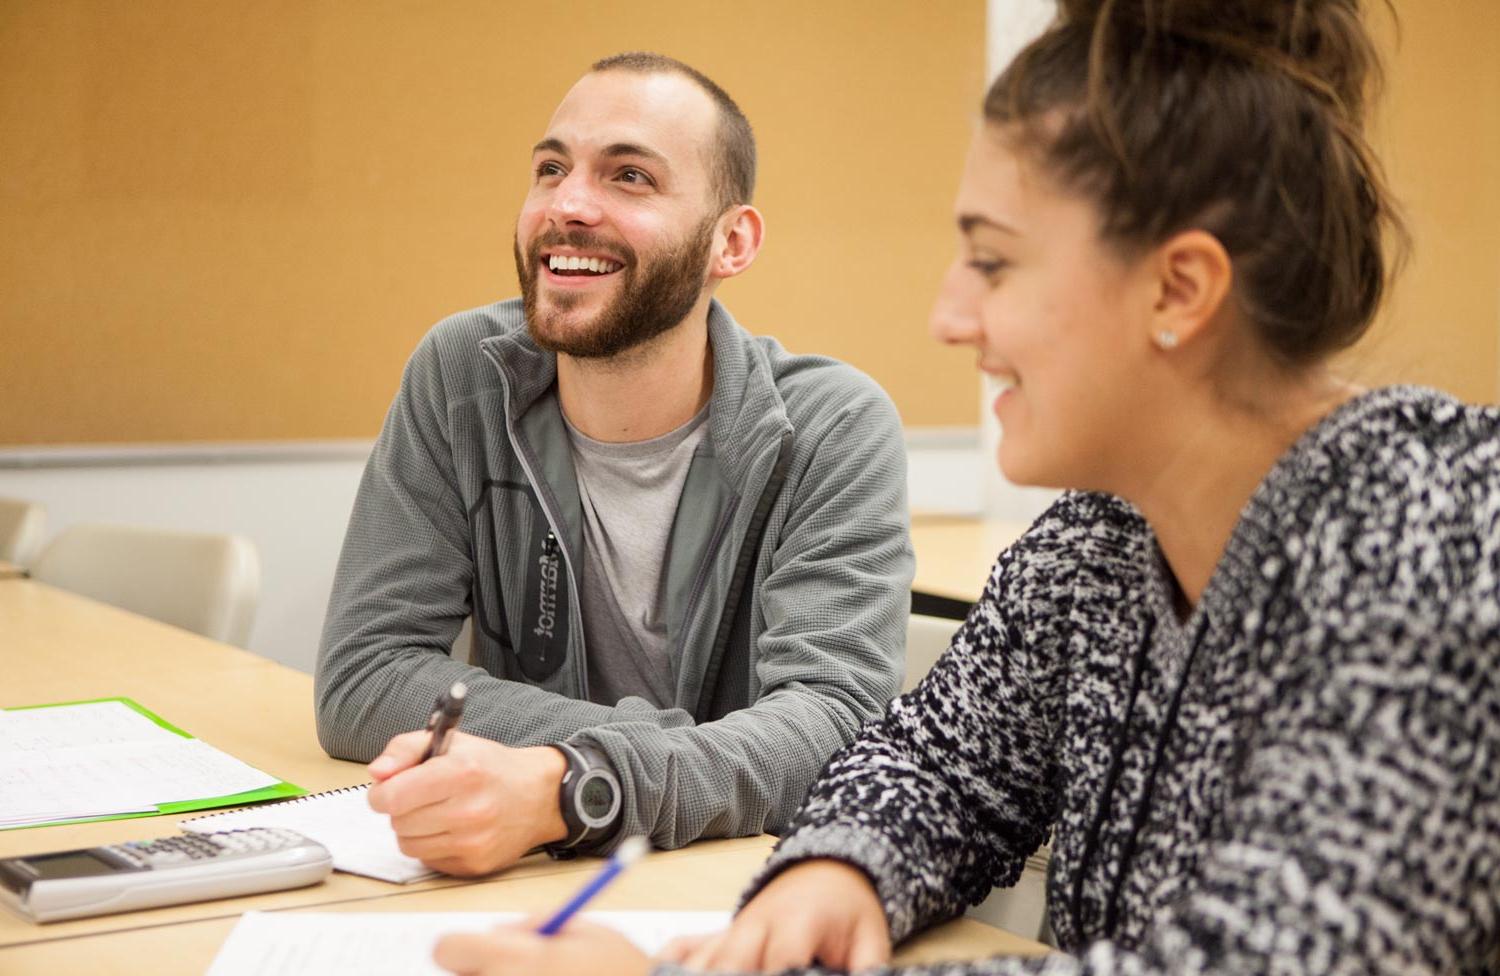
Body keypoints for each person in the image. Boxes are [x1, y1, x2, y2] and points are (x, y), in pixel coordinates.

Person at [428, 1, 1500, 974]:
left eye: (992, 262)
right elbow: (936, 764)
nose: (950, 315)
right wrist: (840, 865)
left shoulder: (1436, 539)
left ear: (1179, 288)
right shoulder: (1099, 540)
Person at [314, 52, 913, 875]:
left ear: (730, 242)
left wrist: (578, 783)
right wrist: (621, 759)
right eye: (550, 168)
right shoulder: (464, 376)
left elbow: (835, 723)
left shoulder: (831, 426)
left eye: (629, 176)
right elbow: (363, 675)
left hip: (731, 890)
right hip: (528, 873)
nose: (567, 205)